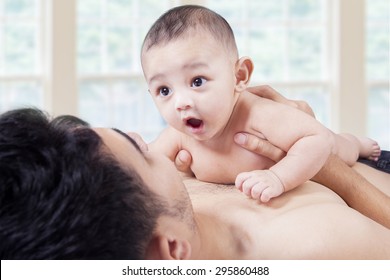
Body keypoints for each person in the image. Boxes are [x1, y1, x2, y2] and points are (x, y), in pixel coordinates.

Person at [1, 107, 389, 260]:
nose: (152, 140)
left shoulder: (134, 213)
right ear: (172, 248)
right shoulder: (317, 249)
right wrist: (331, 167)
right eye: (142, 150)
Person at [141, 5, 381, 203]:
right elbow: (146, 162)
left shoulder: (259, 115)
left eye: (197, 81)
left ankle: (356, 143)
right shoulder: (179, 136)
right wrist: (132, 149)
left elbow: (318, 139)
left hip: (327, 147)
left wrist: (278, 178)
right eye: (164, 90)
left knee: (341, 148)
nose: (181, 103)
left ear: (239, 76)